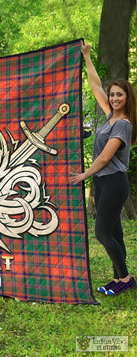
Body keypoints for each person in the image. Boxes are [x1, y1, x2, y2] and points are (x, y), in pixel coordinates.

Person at [71, 41, 136, 296]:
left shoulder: (124, 124)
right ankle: (119, 278)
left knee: (101, 232)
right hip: (103, 181)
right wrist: (87, 56)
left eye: (119, 95)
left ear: (127, 97)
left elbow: (106, 156)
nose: (114, 98)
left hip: (113, 182)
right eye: (113, 95)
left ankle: (125, 278)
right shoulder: (110, 115)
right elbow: (96, 85)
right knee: (115, 232)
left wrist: (85, 174)